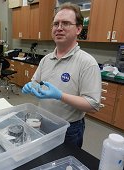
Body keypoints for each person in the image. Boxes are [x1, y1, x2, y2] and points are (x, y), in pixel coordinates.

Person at [22, 2, 101, 148]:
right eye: (56, 23)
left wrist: (60, 95)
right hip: (42, 121)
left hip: (68, 128)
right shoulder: (46, 59)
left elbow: (93, 105)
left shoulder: (87, 63)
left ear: (78, 29)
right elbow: (36, 82)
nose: (59, 28)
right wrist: (31, 86)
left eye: (65, 23)